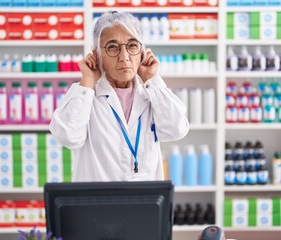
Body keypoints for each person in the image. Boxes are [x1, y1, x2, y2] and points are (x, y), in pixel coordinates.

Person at [49, 10, 189, 182]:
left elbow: (176, 130)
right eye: (112, 47)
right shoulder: (85, 96)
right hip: (98, 205)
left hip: (144, 204)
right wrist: (87, 81)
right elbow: (67, 136)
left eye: (132, 46)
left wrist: (152, 79)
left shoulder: (152, 93)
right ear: (97, 55)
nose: (124, 57)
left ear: (142, 52)